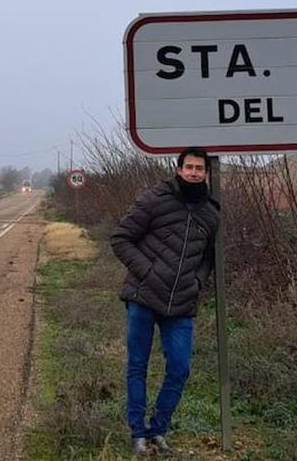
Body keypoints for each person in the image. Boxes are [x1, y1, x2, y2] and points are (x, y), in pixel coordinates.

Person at [110, 147, 220, 457]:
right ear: (179, 169)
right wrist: (147, 272)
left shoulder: (211, 213)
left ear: (206, 173)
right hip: (143, 297)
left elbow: (208, 258)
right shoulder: (155, 199)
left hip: (182, 303)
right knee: (137, 366)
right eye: (189, 167)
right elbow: (120, 239)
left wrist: (198, 282)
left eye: (200, 168)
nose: (194, 173)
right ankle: (137, 434)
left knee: (181, 367)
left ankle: (158, 429)